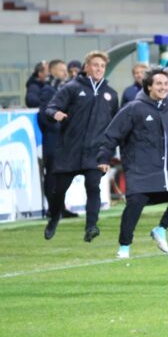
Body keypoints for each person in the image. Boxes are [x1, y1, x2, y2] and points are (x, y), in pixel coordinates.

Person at [97, 67, 168, 259]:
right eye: (158, 83)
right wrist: (103, 158)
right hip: (141, 170)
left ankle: (161, 229)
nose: (163, 87)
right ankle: (124, 247)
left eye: (166, 84)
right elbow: (112, 135)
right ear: (149, 86)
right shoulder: (133, 109)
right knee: (135, 204)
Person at [44, 51, 119, 242]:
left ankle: (91, 227)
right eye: (95, 65)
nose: (99, 69)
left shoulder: (111, 94)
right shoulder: (72, 88)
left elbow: (115, 126)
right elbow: (50, 107)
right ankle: (54, 217)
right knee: (59, 190)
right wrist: (55, 114)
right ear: (86, 67)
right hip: (69, 150)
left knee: (93, 187)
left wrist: (108, 153)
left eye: (102, 66)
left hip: (95, 153)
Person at [37, 59, 70, 217]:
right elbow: (44, 116)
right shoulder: (48, 91)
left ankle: (60, 207)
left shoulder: (61, 89)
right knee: (52, 174)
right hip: (52, 140)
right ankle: (53, 208)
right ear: (52, 71)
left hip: (62, 141)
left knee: (61, 175)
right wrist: (59, 123)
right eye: (62, 70)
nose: (65, 73)